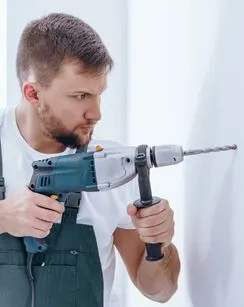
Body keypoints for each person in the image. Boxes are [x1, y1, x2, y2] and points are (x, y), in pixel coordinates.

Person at [0, 12, 180, 307]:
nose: (96, 114)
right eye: (80, 95)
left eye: (99, 94)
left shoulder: (115, 169)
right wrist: (5, 216)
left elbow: (160, 290)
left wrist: (159, 244)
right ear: (33, 93)